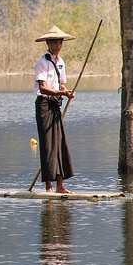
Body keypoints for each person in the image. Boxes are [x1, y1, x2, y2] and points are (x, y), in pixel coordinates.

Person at [34, 26, 76, 193]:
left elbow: (62, 84)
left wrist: (67, 92)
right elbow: (43, 87)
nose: (57, 46)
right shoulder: (42, 62)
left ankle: (60, 186)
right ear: (48, 43)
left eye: (59, 43)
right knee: (47, 145)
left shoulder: (60, 63)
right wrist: (60, 92)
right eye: (54, 43)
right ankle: (49, 187)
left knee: (60, 143)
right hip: (44, 105)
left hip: (55, 104)